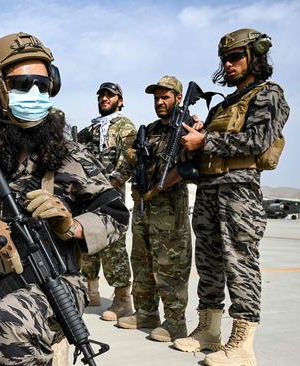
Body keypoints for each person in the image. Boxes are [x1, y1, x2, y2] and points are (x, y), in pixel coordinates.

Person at [0, 32, 129, 365]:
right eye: (23, 84)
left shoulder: (72, 155)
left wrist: (73, 226)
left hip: (56, 286)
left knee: (12, 327)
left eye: (43, 84)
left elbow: (115, 214)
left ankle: (54, 344)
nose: (36, 93)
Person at [174, 29, 289, 366]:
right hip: (209, 189)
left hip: (239, 192)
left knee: (240, 264)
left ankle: (242, 344)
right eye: (224, 59)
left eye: (236, 57)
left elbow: (257, 141)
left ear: (255, 55)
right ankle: (208, 331)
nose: (228, 64)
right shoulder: (224, 104)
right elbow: (204, 142)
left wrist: (205, 141)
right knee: (208, 263)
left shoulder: (269, 95)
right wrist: (196, 134)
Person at [114, 76, 195, 342]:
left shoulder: (187, 129)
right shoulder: (149, 131)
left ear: (178, 98)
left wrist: (159, 188)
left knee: (171, 266)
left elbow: (187, 168)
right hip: (143, 208)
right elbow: (131, 162)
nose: (160, 102)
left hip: (170, 211)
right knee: (142, 262)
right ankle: (147, 313)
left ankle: (175, 323)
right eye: (156, 98)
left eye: (165, 97)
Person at [77, 82, 136, 321]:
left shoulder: (125, 126)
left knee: (113, 244)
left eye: (110, 95)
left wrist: (113, 182)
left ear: (119, 101)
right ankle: (91, 292)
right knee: (87, 240)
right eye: (101, 95)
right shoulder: (89, 130)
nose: (104, 98)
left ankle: (123, 299)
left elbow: (129, 159)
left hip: (110, 193)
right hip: (88, 195)